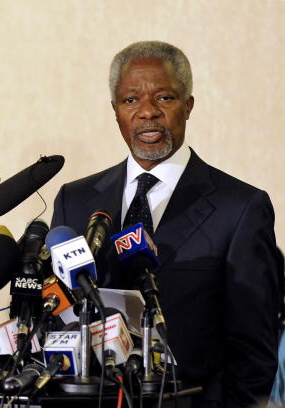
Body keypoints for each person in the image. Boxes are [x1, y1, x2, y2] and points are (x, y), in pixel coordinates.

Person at [51, 41, 280, 407]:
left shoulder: (241, 208)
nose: (147, 113)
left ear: (188, 106)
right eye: (130, 101)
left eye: (164, 98)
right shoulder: (74, 200)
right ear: (115, 111)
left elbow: (255, 353)